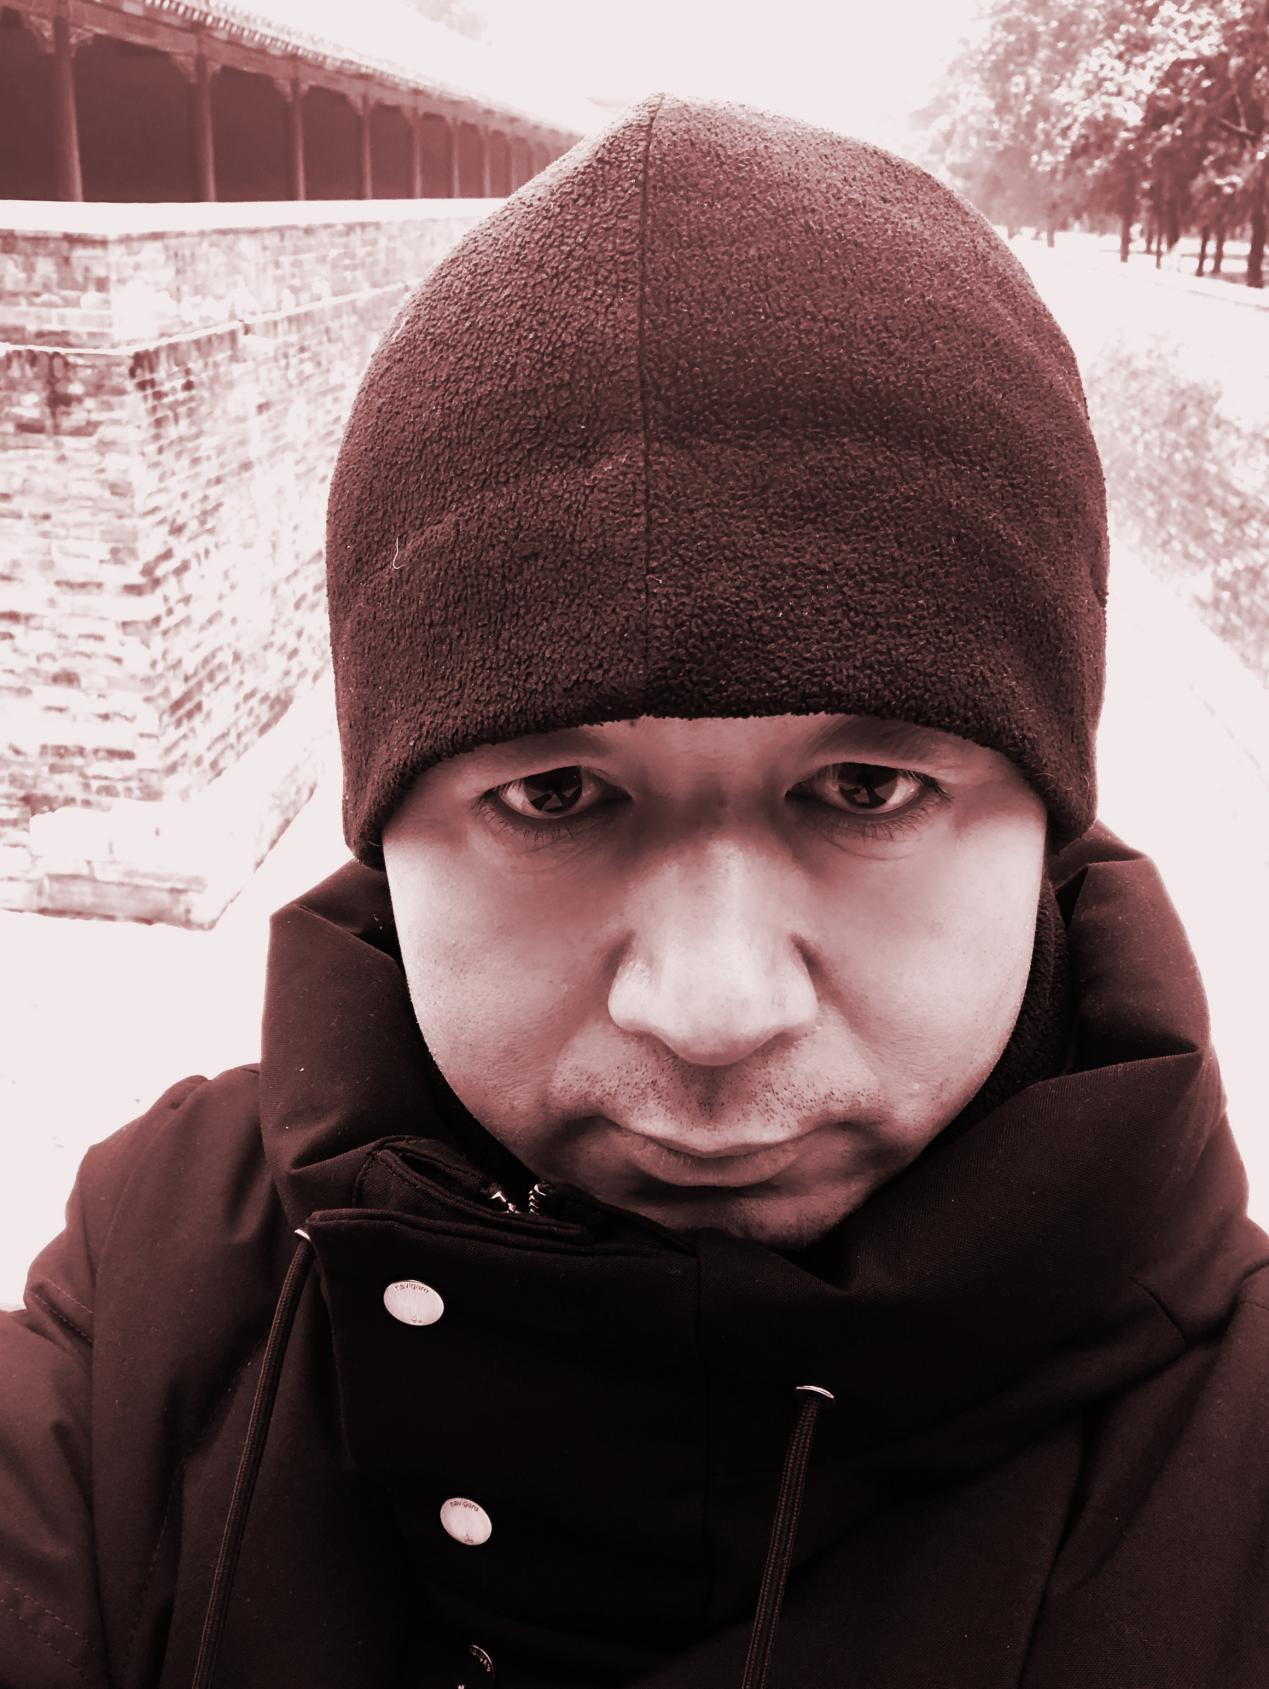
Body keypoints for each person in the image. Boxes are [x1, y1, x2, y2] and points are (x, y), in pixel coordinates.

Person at [2, 92, 1266, 1689]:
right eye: (553, 795)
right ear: (383, 830)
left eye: (863, 790)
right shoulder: (151, 1290)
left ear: (1045, 827)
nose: (712, 1009)